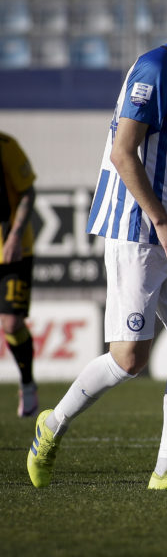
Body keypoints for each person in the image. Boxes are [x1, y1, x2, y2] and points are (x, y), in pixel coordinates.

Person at [27, 0, 167, 490]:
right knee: (129, 358)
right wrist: (162, 221)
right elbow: (125, 152)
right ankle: (51, 423)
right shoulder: (153, 70)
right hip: (141, 229)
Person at [1, 133, 39, 417]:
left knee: (12, 324)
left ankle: (27, 383)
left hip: (13, 251)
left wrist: (14, 235)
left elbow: (28, 191)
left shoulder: (6, 146)